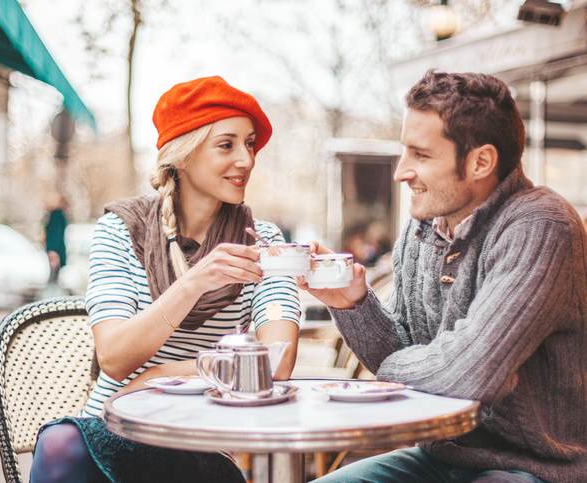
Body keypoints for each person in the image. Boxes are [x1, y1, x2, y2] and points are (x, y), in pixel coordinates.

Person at [302, 70, 586, 483]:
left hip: (537, 469)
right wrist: (353, 304)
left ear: (480, 162)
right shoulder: (423, 227)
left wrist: (430, 369)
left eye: (421, 155)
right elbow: (415, 360)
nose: (401, 172)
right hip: (440, 458)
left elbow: (468, 376)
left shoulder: (541, 226)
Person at [29, 76, 301, 483]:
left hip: (200, 442)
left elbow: (276, 363)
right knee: (59, 444)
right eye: (226, 145)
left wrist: (160, 375)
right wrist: (193, 284)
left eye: (249, 144)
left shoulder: (263, 242)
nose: (246, 160)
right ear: (184, 155)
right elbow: (116, 357)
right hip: (115, 427)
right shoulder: (120, 231)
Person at [43, 194, 69, 284]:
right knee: (54, 278)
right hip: (56, 250)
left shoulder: (56, 215)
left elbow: (55, 234)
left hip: (55, 250)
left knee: (53, 278)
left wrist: (53, 251)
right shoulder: (57, 215)